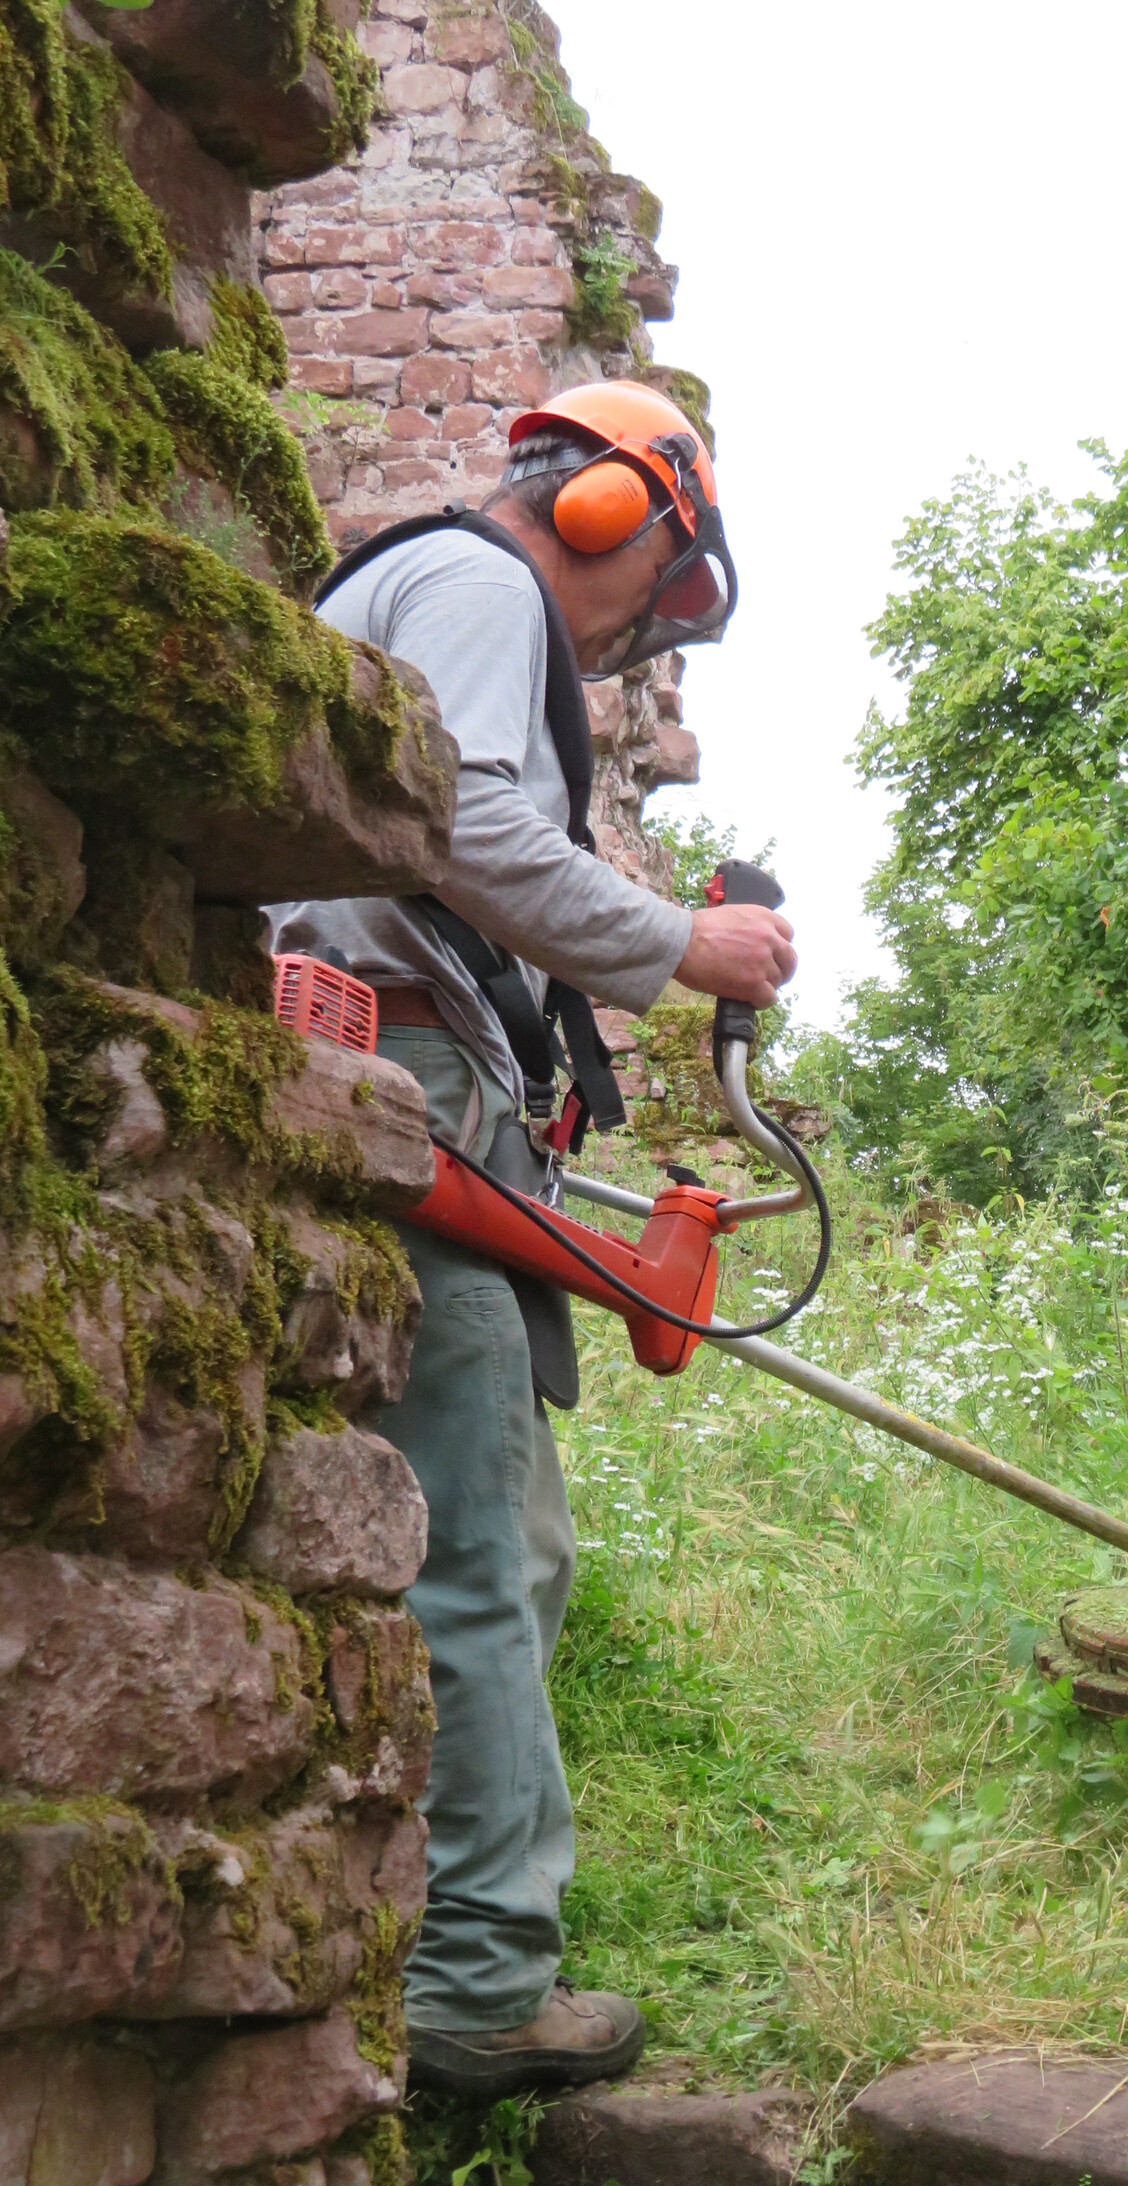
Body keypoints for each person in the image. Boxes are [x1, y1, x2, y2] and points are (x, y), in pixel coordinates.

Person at [269, 382, 795, 2096]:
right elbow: (475, 829)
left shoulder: (405, 586)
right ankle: (477, 1983)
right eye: (661, 577)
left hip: (411, 1070)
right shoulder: (486, 586)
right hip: (408, 1072)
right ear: (612, 511)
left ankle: (397, 1916)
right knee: (476, 1548)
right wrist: (682, 947)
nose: (643, 624)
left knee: (505, 1536)